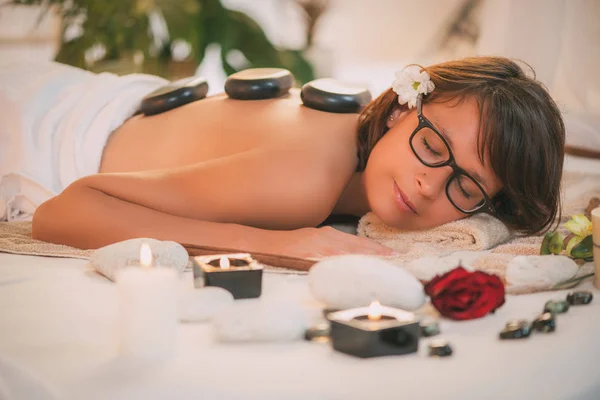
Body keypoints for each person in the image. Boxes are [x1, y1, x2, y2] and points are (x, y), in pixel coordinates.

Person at [2, 56, 564, 259]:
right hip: (33, 130)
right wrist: (281, 243)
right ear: (399, 110)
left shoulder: (361, 150)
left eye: (466, 189)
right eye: (433, 147)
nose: (427, 186)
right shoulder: (308, 177)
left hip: (96, 96)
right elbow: (62, 212)